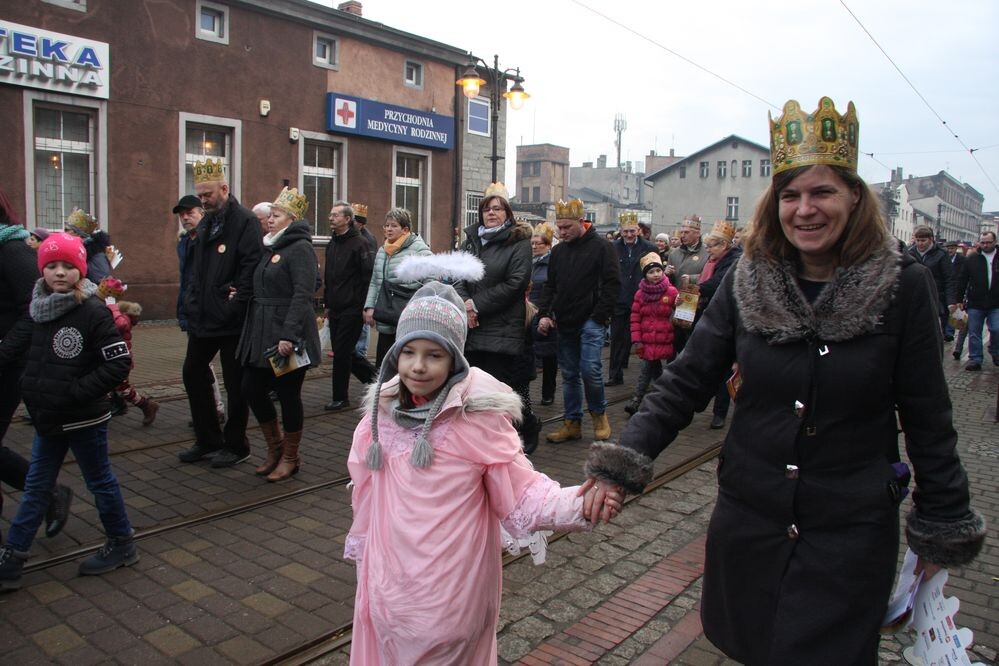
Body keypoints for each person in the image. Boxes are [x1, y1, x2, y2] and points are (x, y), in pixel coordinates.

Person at [581, 97, 985, 665]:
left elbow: (928, 415)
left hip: (848, 527)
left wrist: (942, 520)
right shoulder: (751, 277)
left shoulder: (903, 286)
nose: (805, 209)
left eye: (822, 193)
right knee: (754, 643)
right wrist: (622, 465)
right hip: (752, 517)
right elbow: (687, 378)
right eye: (791, 195)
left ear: (853, 197)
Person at [344, 275, 620, 664]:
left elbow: (526, 494)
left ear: (455, 357)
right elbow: (369, 500)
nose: (418, 367)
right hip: (386, 587)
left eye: (434, 355)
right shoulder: (379, 417)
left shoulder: (477, 422)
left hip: (450, 596)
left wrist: (583, 502)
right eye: (409, 352)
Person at [0, 233, 138, 590]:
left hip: (83, 416)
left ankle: (122, 543)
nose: (59, 272)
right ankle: (13, 557)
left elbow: (117, 364)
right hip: (49, 417)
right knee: (35, 486)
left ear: (79, 269)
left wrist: (75, 392)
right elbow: (12, 349)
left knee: (99, 481)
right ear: (41, 270)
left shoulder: (92, 311)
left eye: (67, 266)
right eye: (51, 265)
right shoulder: (37, 309)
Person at [179, 159, 262, 467]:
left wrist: (234, 305)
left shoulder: (245, 221)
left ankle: (237, 444)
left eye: (208, 194)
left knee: (235, 383)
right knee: (192, 373)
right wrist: (191, 302)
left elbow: (249, 268)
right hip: (203, 316)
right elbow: (196, 271)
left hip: (231, 320)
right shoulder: (204, 224)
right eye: (200, 195)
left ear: (224, 189)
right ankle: (207, 439)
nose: (203, 200)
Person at [0, 194, 72, 542]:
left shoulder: (11, 250)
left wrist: (4, 350)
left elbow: (33, 310)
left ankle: (49, 493)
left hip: (8, 366)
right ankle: (49, 494)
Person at [238, 187, 320, 481]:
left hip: (288, 334)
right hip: (261, 331)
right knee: (250, 388)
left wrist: (289, 335)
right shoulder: (270, 246)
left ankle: (290, 457)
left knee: (287, 395)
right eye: (269, 215)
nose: (269, 220)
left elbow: (303, 295)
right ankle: (275, 448)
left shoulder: (300, 248)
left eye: (276, 215)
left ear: (292, 218)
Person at [456, 183, 538, 452]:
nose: (491, 213)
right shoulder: (472, 241)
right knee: (472, 389)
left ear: (507, 213)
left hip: (501, 328)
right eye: (487, 209)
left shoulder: (519, 242)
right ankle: (480, 441)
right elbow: (459, 275)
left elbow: (516, 283)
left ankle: (520, 430)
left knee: (497, 390)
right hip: (472, 327)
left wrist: (476, 305)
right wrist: (466, 306)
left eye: (497, 208)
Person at [536, 198, 620, 443]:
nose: (561, 233)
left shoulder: (602, 247)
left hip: (592, 320)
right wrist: (545, 313)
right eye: (559, 227)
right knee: (570, 374)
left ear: (581, 222)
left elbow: (613, 284)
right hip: (566, 320)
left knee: (590, 369)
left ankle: (598, 414)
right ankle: (572, 422)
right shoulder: (559, 251)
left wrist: (600, 316)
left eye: (566, 227)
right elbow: (551, 286)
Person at [173, 195, 226, 426]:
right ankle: (209, 415)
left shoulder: (211, 240)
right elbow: (187, 280)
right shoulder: (185, 242)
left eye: (190, 212)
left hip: (213, 314)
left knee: (199, 367)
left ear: (202, 213)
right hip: (193, 311)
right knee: (197, 369)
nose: (185, 217)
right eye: (182, 214)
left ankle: (216, 409)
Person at [323, 201, 376, 412]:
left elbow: (367, 277)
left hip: (353, 307)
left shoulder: (360, 244)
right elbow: (330, 277)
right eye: (330, 214)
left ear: (347, 219)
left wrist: (366, 306)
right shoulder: (332, 243)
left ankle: (340, 397)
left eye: (336, 215)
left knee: (342, 353)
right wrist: (327, 303)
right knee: (345, 352)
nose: (331, 218)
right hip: (335, 306)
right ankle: (378, 381)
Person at [363, 208, 432, 368]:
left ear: (405, 229)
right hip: (386, 315)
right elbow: (375, 281)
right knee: (384, 364)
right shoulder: (382, 250)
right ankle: (383, 391)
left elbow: (431, 280)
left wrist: (419, 307)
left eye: (393, 226)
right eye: (386, 226)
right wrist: (370, 306)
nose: (388, 229)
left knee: (404, 363)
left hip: (407, 316)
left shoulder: (419, 249)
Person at [695, 220, 743, 429]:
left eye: (712, 245)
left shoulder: (734, 260)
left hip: (730, 322)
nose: (708, 250)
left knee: (724, 370)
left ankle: (720, 413)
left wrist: (696, 289)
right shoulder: (714, 261)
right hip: (714, 318)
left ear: (723, 245)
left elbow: (719, 283)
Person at [97, 278, 159, 427]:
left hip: (120, 357)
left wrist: (112, 307)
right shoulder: (108, 309)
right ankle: (105, 411)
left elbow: (120, 324)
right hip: (107, 356)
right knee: (105, 386)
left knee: (123, 388)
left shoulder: (123, 313)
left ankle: (147, 405)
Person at [625, 252, 678, 415]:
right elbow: (635, 318)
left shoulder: (671, 292)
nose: (655, 275)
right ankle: (665, 399)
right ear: (645, 275)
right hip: (646, 338)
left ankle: (637, 399)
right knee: (653, 370)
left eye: (658, 271)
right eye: (651, 272)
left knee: (649, 369)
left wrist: (679, 305)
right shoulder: (640, 294)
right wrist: (636, 339)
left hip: (663, 337)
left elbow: (682, 314)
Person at [608, 212, 656, 386]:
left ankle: (654, 375)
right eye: (625, 231)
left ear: (638, 230)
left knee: (646, 338)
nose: (629, 235)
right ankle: (615, 374)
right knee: (617, 339)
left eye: (632, 231)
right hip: (619, 300)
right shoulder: (612, 247)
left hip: (642, 300)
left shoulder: (649, 248)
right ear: (620, 231)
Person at [950, 230, 998, 371]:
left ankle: (995, 350)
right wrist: (958, 299)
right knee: (974, 331)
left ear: (995, 242)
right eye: (983, 242)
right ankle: (975, 358)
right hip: (975, 301)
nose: (985, 245)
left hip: (996, 302)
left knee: (996, 328)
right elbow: (963, 279)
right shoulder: (973, 258)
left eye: (988, 242)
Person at [530, 222, 558, 406]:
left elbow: (555, 290)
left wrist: (549, 315)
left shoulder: (552, 264)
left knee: (549, 356)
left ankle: (548, 392)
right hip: (527, 314)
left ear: (547, 245)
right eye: (532, 243)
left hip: (545, 313)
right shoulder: (526, 262)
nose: (534, 247)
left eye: (538, 244)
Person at [908, 225, 953, 333]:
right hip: (915, 296)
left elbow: (949, 278)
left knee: (933, 329)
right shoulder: (910, 253)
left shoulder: (941, 254)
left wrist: (951, 301)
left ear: (931, 239)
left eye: (923, 240)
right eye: (918, 240)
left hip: (936, 296)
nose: (920, 243)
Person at [64, 209, 113, 283]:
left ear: (77, 233)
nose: (64, 233)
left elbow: (99, 281)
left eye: (67, 230)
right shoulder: (79, 249)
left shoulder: (95, 255)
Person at [942, 240, 964, 342]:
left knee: (954, 311)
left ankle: (950, 333)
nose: (950, 250)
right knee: (945, 312)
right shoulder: (943, 258)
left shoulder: (962, 259)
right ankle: (945, 331)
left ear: (956, 249)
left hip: (956, 288)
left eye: (952, 248)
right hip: (944, 289)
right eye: (948, 248)